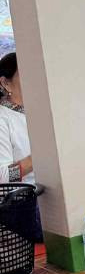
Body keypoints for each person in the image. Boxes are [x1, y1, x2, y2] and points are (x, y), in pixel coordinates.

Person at [0, 53, 33, 189]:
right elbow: (3, 176)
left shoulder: (39, 110)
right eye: (25, 74)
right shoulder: (3, 119)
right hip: (25, 199)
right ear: (5, 83)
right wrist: (36, 159)